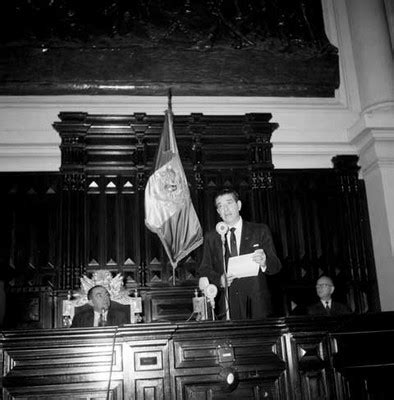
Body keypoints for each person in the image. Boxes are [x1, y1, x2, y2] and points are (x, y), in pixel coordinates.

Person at [198, 189, 282, 320]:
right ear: (218, 212)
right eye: (220, 206)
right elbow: (204, 269)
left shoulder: (259, 230)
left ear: (239, 205)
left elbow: (276, 266)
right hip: (228, 307)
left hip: (258, 307)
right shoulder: (212, 237)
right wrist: (219, 279)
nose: (225, 209)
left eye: (229, 203)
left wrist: (265, 262)